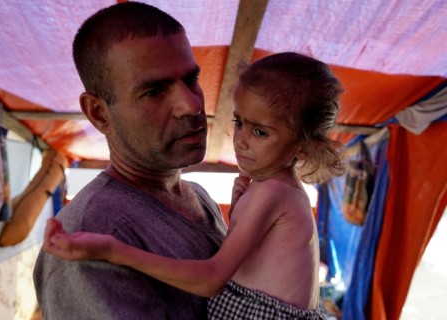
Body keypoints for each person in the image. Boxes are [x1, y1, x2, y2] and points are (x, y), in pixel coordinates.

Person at [43, 52, 346, 320]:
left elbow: (213, 278)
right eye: (239, 122)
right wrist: (238, 214)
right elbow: (261, 267)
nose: (240, 139)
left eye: (261, 132)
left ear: (304, 148)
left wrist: (114, 250)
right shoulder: (280, 192)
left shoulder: (271, 193)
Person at [33, 2, 227, 319]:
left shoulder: (199, 197)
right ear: (98, 113)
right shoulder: (88, 239)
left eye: (191, 79)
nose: (191, 105)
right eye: (154, 91)